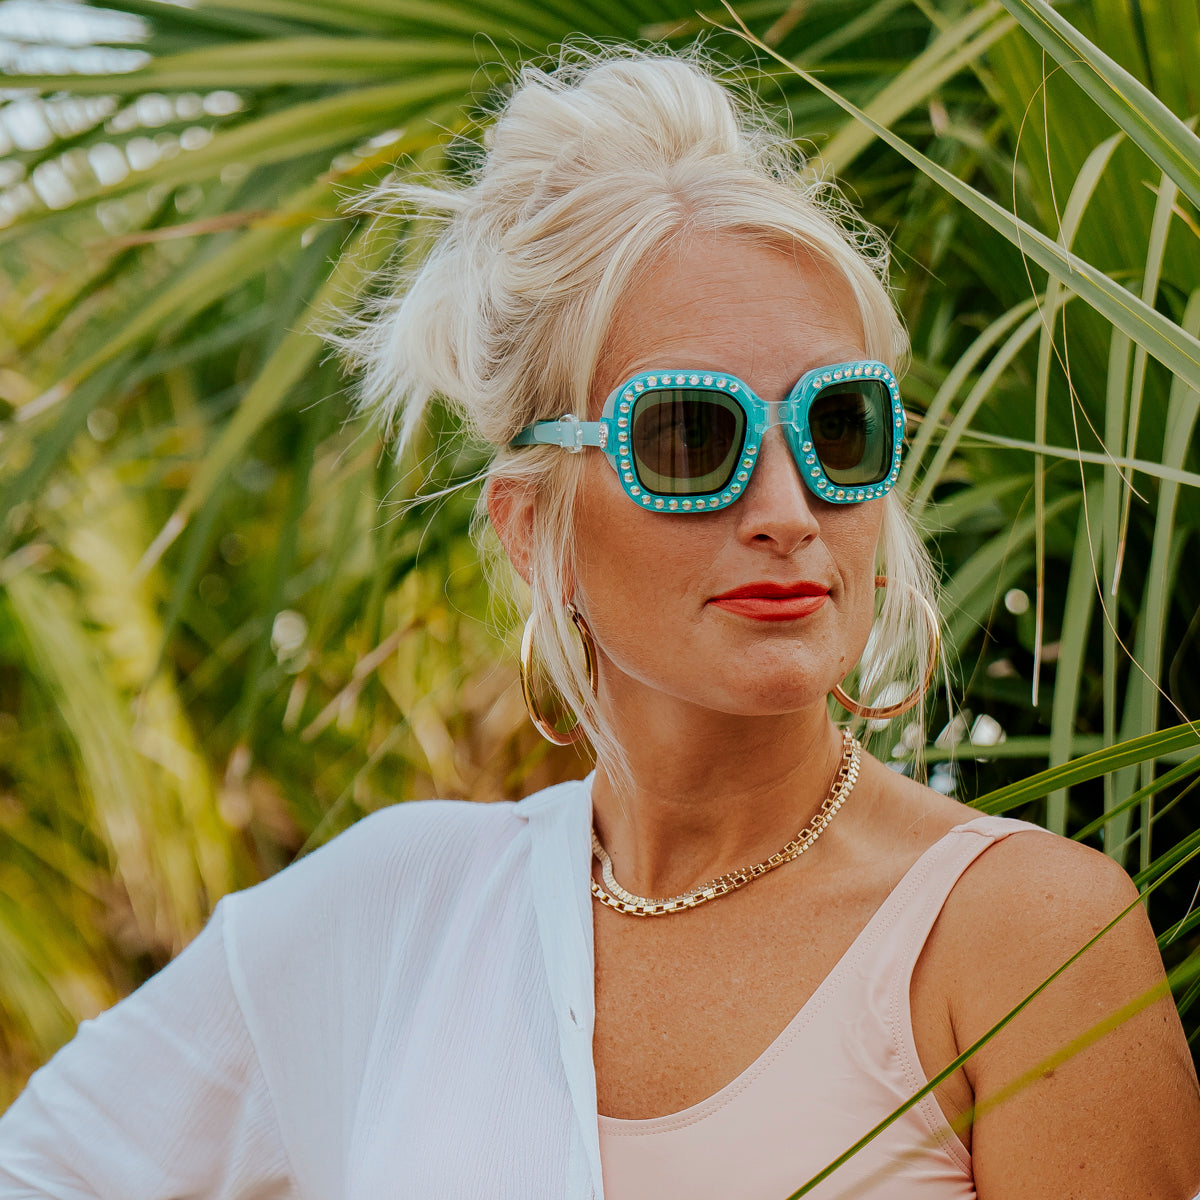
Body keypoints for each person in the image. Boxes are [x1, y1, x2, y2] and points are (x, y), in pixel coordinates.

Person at [1, 47, 1198, 1200]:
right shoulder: (398, 916)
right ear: (531, 527)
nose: (788, 512)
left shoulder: (1023, 939)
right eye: (690, 436)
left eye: (838, 427)